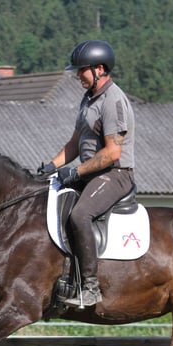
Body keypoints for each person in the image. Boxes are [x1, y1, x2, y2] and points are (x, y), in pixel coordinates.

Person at [39, 39, 136, 307]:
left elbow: (112, 153)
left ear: (99, 69)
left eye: (81, 70)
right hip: (91, 174)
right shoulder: (88, 99)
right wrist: (50, 166)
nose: (77, 75)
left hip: (115, 175)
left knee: (80, 214)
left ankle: (90, 288)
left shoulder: (113, 101)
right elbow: (74, 143)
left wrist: (76, 172)